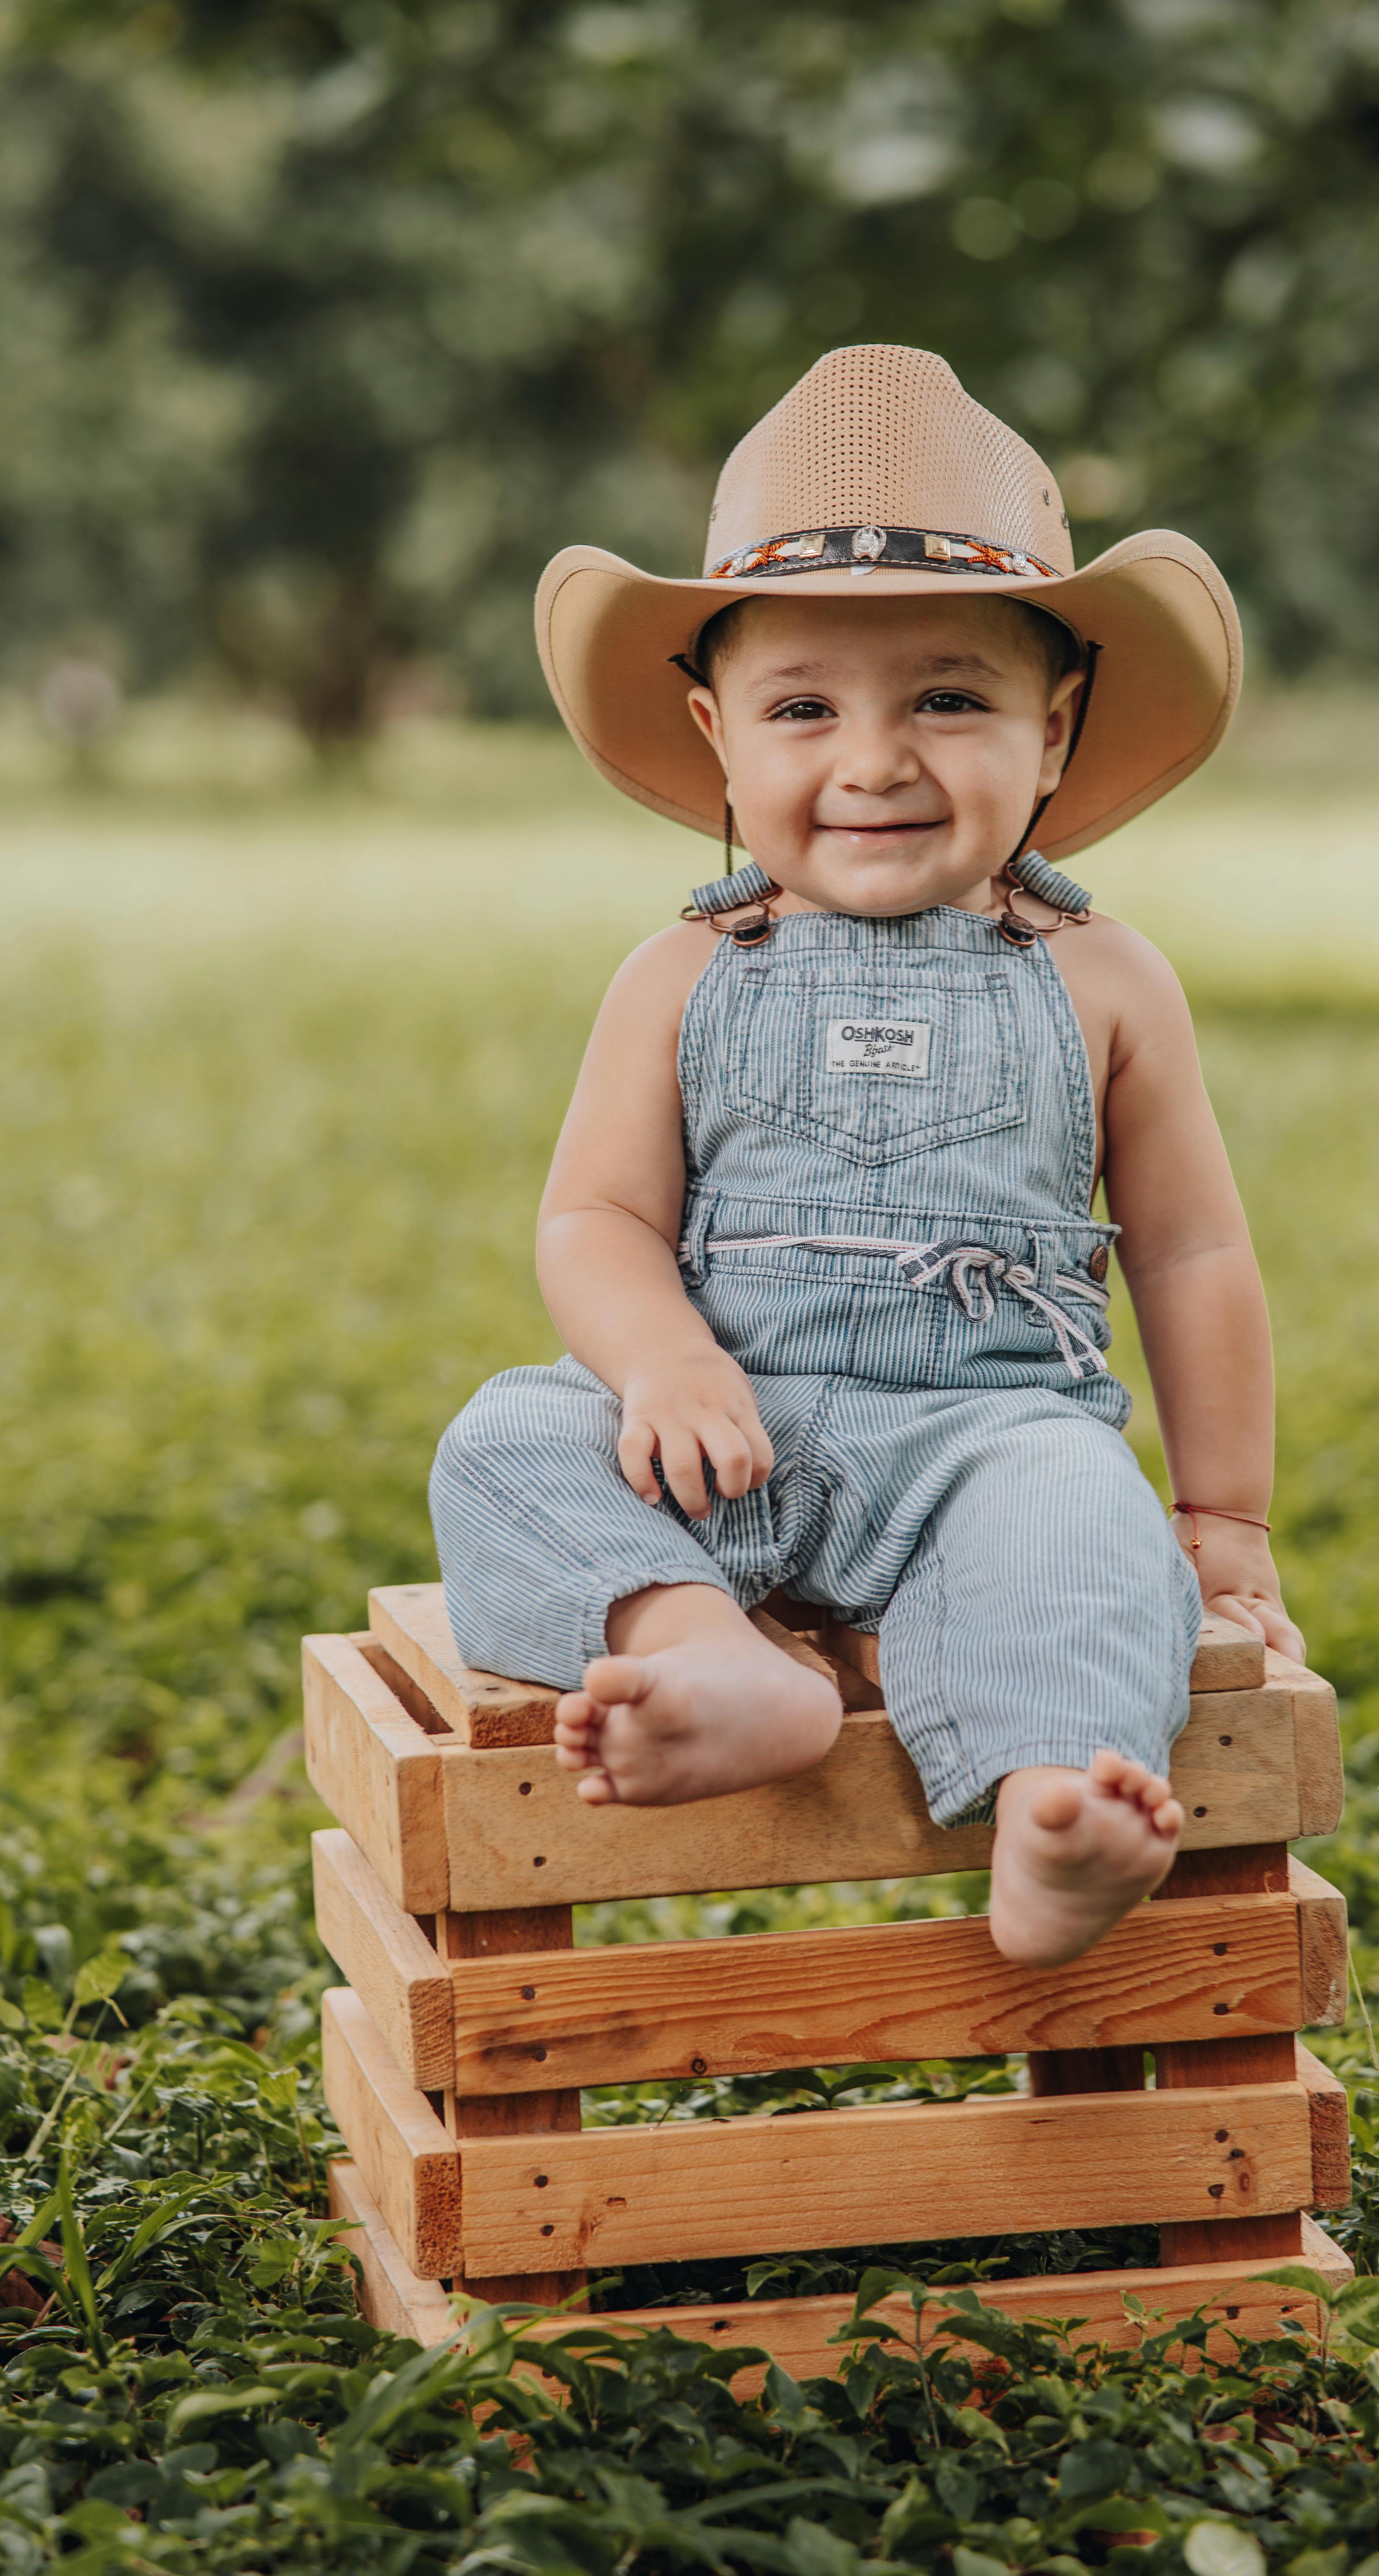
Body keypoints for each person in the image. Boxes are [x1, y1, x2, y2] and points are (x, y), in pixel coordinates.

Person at [431, 344, 1303, 1970]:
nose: (875, 759)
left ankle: (1053, 1812)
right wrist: (665, 1361)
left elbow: (1191, 1251)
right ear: (715, 735)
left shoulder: (1105, 978)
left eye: (950, 699)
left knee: (1085, 1528)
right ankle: (710, 1659)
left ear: (1056, 730)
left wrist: (1224, 1521)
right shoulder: (681, 974)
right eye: (804, 708)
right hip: (711, 1442)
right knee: (504, 1438)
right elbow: (596, 1217)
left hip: (985, 1441)